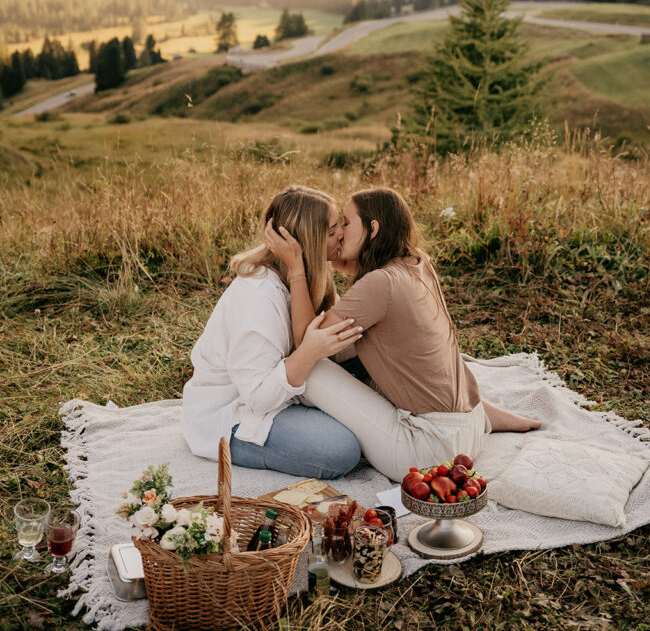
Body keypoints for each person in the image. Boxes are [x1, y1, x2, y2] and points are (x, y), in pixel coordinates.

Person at [265, 187, 540, 483]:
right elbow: (347, 268)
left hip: (427, 454)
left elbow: (308, 341)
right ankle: (489, 415)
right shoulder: (417, 264)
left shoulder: (379, 284)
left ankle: (290, 424)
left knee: (310, 367)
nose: (340, 232)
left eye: (346, 223)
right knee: (358, 353)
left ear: (373, 229)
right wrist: (325, 247)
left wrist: (296, 266)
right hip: (469, 428)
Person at [181, 186, 363, 478]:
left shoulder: (307, 276)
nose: (341, 233)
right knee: (341, 449)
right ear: (308, 243)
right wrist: (310, 351)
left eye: (339, 224)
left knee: (364, 420)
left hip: (284, 394)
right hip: (236, 416)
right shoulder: (257, 297)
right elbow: (257, 398)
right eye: (331, 232)